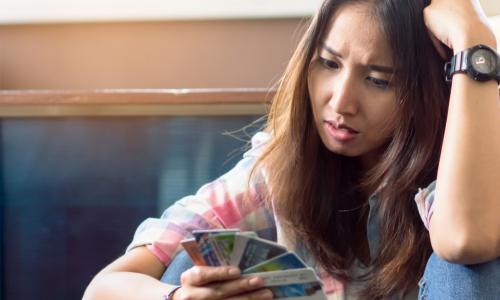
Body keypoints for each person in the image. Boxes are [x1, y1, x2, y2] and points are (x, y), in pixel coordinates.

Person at [83, 0, 500, 299]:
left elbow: (466, 243)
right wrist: (176, 297)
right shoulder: (279, 169)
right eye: (330, 63)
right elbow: (104, 288)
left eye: (378, 80)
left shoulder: (461, 174)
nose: (340, 102)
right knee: (190, 274)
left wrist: (476, 41)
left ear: (424, 92)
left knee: (472, 263)